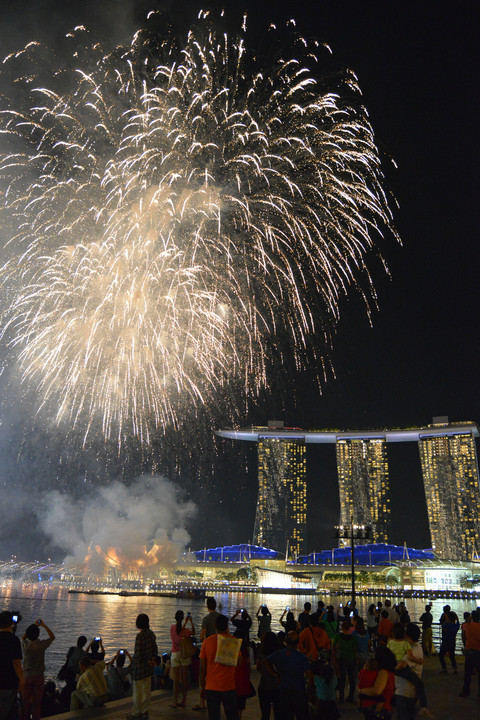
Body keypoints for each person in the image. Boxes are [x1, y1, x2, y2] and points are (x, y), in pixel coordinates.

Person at [199, 614, 239, 720]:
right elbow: (239, 663)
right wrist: (229, 636)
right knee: (232, 716)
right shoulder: (232, 641)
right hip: (228, 686)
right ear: (227, 627)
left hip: (211, 686)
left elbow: (202, 669)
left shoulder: (207, 642)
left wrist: (202, 686)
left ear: (215, 626)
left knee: (213, 716)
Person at [264, 631, 310, 720]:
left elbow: (266, 661)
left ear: (286, 640)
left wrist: (275, 674)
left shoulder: (279, 654)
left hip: (284, 690)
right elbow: (309, 675)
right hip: (299, 690)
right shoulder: (302, 657)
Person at [22, 618, 55, 720]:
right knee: (37, 703)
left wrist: (34, 625)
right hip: (38, 676)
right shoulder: (41, 645)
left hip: (27, 676)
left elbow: (24, 637)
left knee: (25, 703)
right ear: (38, 634)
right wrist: (43, 625)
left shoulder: (25, 645)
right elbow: (52, 637)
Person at [129, 613, 158, 720]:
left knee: (137, 692)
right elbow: (155, 649)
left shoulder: (139, 636)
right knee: (146, 692)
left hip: (139, 669)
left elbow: (138, 655)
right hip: (148, 669)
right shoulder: (151, 634)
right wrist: (152, 660)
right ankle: (145, 712)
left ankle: (137, 713)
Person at [358, 646, 396, 720]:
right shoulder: (390, 672)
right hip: (384, 708)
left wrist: (361, 690)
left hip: (378, 708)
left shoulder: (383, 672)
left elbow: (377, 690)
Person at [0, 611, 24, 720]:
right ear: (11, 624)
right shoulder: (14, 640)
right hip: (8, 682)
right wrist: (22, 679)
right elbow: (16, 663)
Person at [170, 610, 195, 708]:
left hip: (175, 654)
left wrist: (184, 623)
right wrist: (190, 622)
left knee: (176, 680)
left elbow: (177, 636)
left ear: (175, 618)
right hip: (184, 654)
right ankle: (184, 701)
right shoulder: (186, 630)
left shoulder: (172, 628)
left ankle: (175, 701)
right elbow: (194, 632)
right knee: (184, 679)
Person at [256, 632, 280, 720]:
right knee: (278, 713)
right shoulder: (279, 653)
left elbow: (259, 668)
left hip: (264, 685)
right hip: (278, 686)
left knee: (265, 714)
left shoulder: (261, 652)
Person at [334, 620, 357, 704]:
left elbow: (334, 648)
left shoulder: (338, 637)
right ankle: (351, 696)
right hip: (351, 659)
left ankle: (341, 697)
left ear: (342, 628)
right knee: (352, 679)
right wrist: (356, 660)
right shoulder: (353, 638)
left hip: (342, 659)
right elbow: (355, 650)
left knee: (341, 679)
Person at [459, 608, 480, 697]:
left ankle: (466, 691)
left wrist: (469, 618)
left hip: (470, 652)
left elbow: (463, 626)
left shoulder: (467, 626)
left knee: (468, 674)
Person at [234, 635, 252, 718]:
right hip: (243, 682)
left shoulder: (232, 651)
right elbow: (248, 667)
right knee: (240, 707)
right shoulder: (246, 652)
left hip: (233, 682)